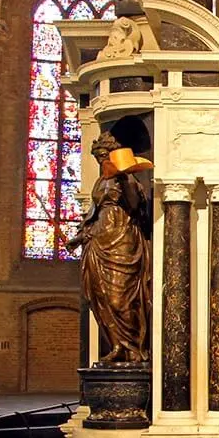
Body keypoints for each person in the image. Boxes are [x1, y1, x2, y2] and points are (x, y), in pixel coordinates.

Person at [68, 132, 152, 364]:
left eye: (104, 156)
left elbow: (135, 206)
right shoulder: (99, 182)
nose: (101, 161)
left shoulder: (127, 179)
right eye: (97, 157)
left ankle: (133, 346)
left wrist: (124, 177)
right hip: (98, 241)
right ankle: (117, 345)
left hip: (122, 238)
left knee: (120, 298)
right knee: (101, 297)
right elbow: (92, 215)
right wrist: (79, 238)